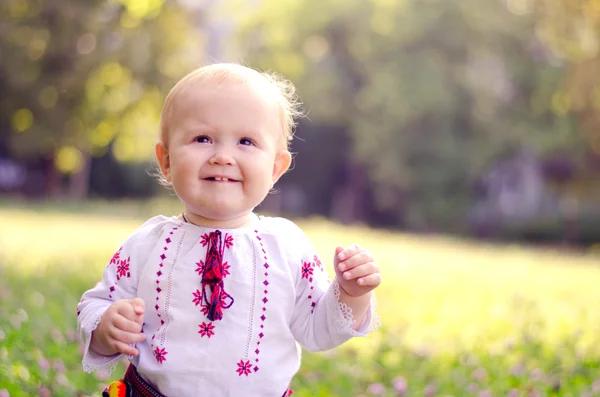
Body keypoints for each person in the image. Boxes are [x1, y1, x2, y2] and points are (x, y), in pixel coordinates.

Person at [77, 63, 381, 397]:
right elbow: (97, 302)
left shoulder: (287, 246)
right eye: (202, 138)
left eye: (246, 142)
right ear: (166, 160)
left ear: (276, 168)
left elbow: (318, 329)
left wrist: (352, 294)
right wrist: (106, 326)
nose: (223, 156)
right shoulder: (148, 243)